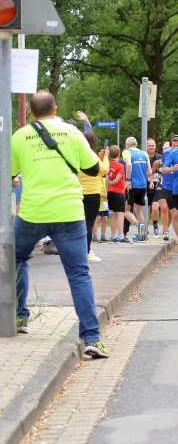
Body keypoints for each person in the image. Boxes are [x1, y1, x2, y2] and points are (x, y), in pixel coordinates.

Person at [12, 91, 109, 357]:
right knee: (79, 273)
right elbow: (93, 169)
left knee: (15, 257)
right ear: (55, 109)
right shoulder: (72, 132)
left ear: (31, 113)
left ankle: (19, 316)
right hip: (69, 213)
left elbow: (8, 174)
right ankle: (91, 338)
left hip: (33, 213)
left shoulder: (20, 136)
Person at [80, 132, 110, 262]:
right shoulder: (92, 156)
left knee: (78, 223)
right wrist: (105, 157)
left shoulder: (76, 155)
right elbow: (104, 170)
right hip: (92, 193)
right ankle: (86, 252)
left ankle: (78, 251)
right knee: (88, 223)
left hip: (77, 193)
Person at [122, 136, 151, 241]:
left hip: (132, 185)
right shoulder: (144, 154)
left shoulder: (127, 152)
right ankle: (143, 235)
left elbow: (129, 165)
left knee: (125, 210)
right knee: (138, 211)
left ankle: (139, 226)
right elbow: (150, 172)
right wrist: (143, 178)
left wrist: (128, 180)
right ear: (136, 144)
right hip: (143, 185)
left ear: (127, 145)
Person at [106, 145, 128, 243]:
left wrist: (108, 189)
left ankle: (113, 236)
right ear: (119, 154)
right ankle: (121, 236)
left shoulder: (108, 165)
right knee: (120, 215)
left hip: (110, 192)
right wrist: (112, 182)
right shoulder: (120, 166)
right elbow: (117, 179)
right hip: (119, 192)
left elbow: (107, 179)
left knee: (114, 215)